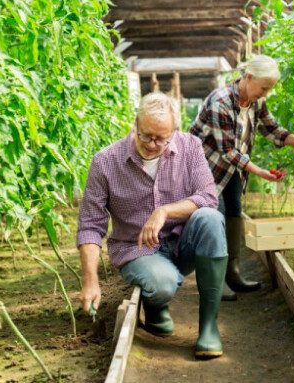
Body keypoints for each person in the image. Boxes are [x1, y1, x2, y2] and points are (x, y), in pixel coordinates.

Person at [77, 92, 228, 359]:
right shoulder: (106, 161)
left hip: (183, 243)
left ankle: (208, 328)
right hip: (137, 249)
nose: (152, 144)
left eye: (161, 139)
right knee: (161, 284)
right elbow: (90, 224)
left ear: (174, 131)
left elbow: (208, 197)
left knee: (211, 218)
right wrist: (90, 280)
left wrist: (165, 211)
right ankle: (156, 302)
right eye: (146, 135)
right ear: (135, 122)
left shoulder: (190, 147)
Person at [189, 55, 294, 301]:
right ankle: (213, 280)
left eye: (270, 89)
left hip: (230, 168)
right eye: (264, 88)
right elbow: (228, 151)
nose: (266, 94)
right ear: (249, 77)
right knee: (215, 218)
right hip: (205, 168)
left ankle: (232, 273)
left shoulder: (255, 102)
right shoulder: (220, 102)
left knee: (234, 212)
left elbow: (271, 128)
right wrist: (259, 172)